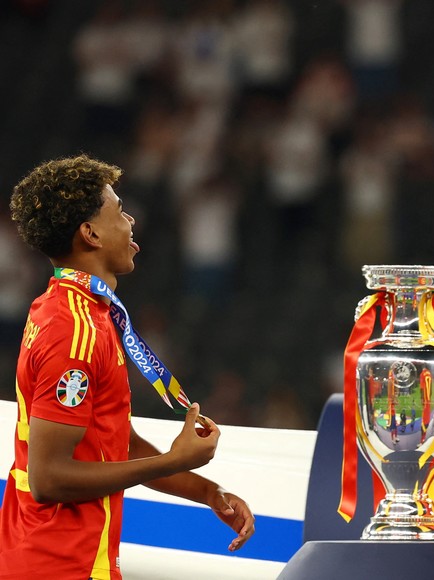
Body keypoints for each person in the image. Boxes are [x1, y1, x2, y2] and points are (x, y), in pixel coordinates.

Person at [0, 155, 255, 579]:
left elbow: (118, 446)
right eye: (119, 210)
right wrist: (174, 460)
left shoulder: (76, 312)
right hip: (59, 563)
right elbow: (48, 478)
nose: (131, 220)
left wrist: (209, 493)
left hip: (61, 557)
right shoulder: (74, 331)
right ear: (91, 233)